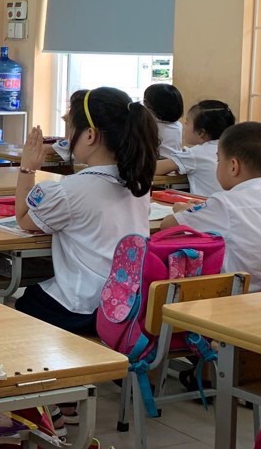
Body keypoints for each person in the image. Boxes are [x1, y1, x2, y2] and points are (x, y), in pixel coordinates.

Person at [15, 86, 157, 334]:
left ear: (90, 135)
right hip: (128, 302)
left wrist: (27, 168)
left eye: (71, 128)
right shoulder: (138, 183)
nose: (68, 137)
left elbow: (23, 217)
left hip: (85, 308)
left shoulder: (72, 189)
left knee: (23, 301)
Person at [162, 122, 261, 291]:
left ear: (233, 166)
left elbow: (167, 226)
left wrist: (183, 210)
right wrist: (207, 208)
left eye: (218, 160)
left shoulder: (224, 203)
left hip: (240, 298)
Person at [157, 100, 235, 197]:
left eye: (187, 122)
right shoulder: (232, 149)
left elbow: (155, 169)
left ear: (201, 132)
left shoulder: (196, 154)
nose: (184, 126)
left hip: (205, 204)